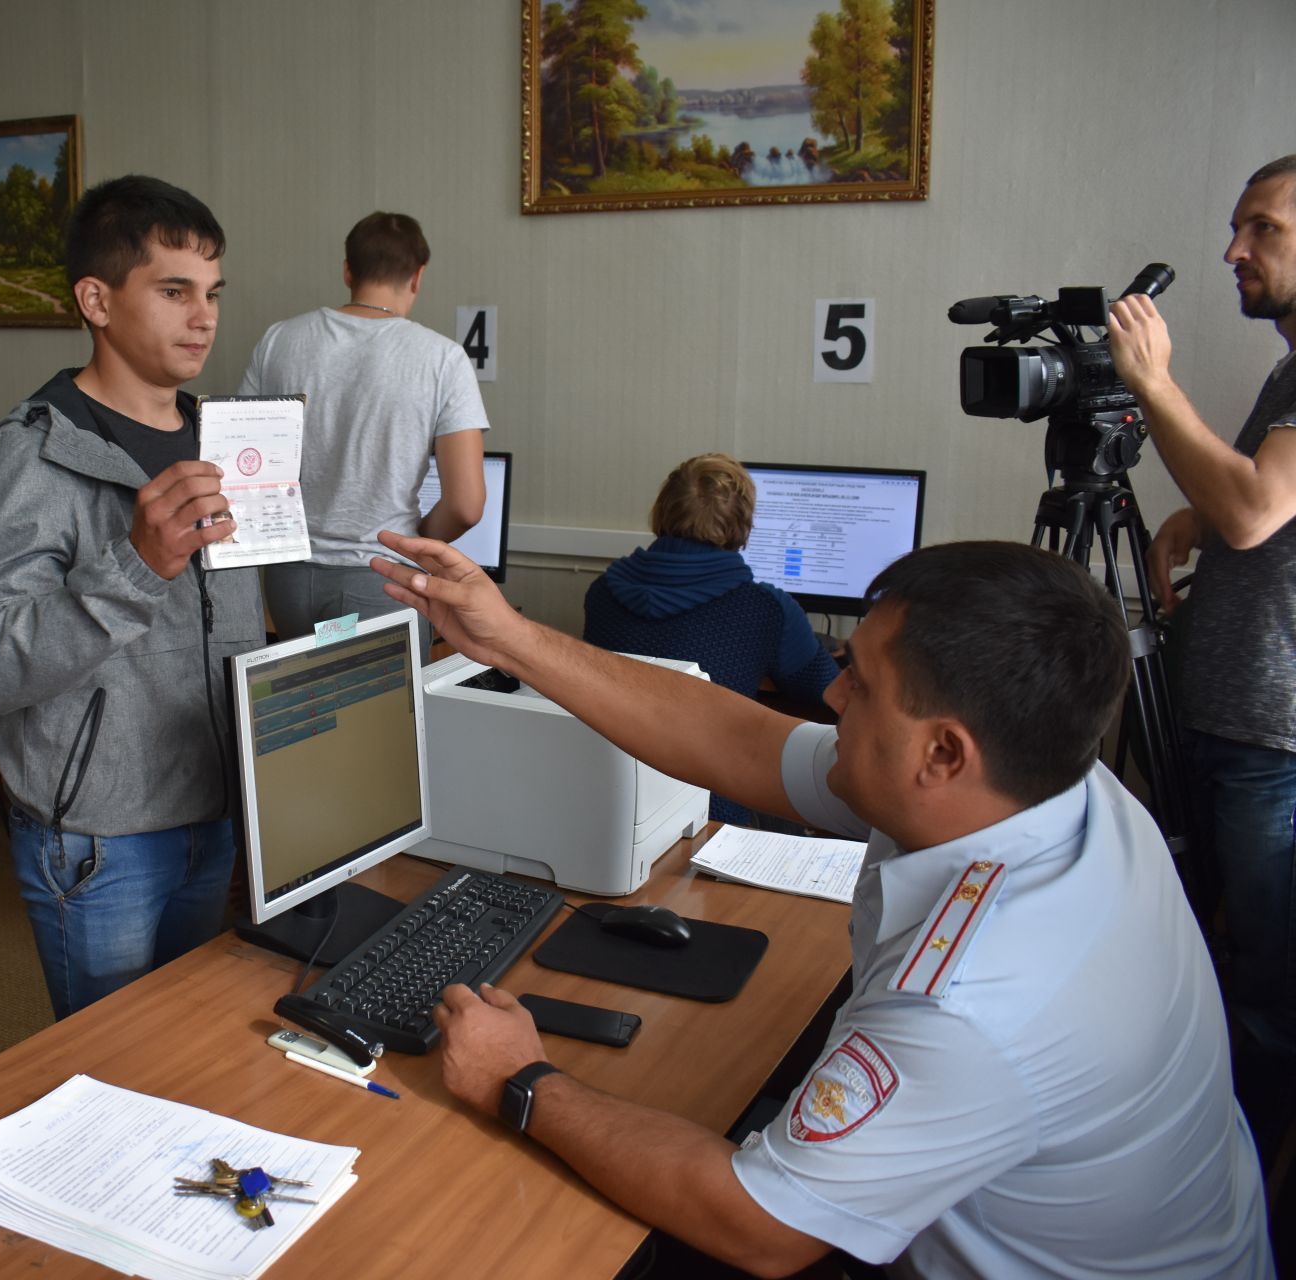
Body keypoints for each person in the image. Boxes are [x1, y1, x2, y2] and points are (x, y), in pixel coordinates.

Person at [369, 533, 1272, 1277]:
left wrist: (520, 1082)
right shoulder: (1051, 781)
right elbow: (737, 736)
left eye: (861, 685)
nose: (831, 691)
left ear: (944, 754)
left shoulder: (972, 1000)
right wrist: (511, 636)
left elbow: (763, 1227)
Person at [0, 176, 265, 1020]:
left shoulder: (224, 441)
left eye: (211, 293)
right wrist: (134, 564)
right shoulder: (34, 454)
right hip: (101, 834)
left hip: (216, 806)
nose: (203, 317)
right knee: (108, 1064)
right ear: (96, 299)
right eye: (174, 292)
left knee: (191, 1042)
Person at [1107, 154, 1296, 1154]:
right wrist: (1194, 516)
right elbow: (1257, 500)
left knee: (1264, 999)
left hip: (1277, 745)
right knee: (1210, 965)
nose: (1235, 249)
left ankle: (1240, 1198)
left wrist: (1151, 381)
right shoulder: (1286, 367)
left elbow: (1258, 507)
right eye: (1238, 227)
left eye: (1262, 227)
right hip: (1231, 723)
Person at [238, 211, 485, 644]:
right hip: (382, 578)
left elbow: (242, 461)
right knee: (381, 712)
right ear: (418, 276)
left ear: (348, 270)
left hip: (289, 579)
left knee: (307, 705)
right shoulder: (441, 358)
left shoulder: (278, 340)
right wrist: (415, 544)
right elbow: (466, 506)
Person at [583, 453, 837, 825]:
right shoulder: (764, 609)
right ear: (743, 523)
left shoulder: (603, 592)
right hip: (710, 815)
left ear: (661, 512)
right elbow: (828, 692)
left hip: (610, 804)